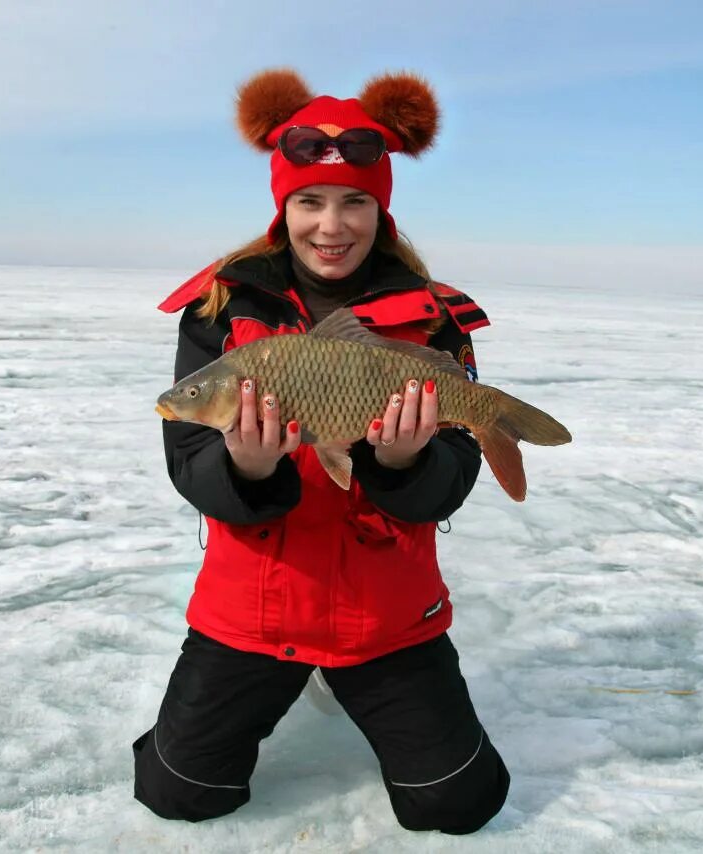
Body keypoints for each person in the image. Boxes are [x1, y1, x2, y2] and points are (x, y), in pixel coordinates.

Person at [133, 68, 509, 835]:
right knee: (178, 793)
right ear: (283, 207)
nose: (330, 225)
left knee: (457, 805)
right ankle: (281, 686)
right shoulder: (221, 308)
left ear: (382, 209)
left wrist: (403, 463)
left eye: (354, 202)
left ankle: (352, 683)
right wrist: (248, 467)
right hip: (254, 608)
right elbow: (188, 464)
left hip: (386, 611)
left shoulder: (436, 320)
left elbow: (454, 480)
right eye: (309, 201)